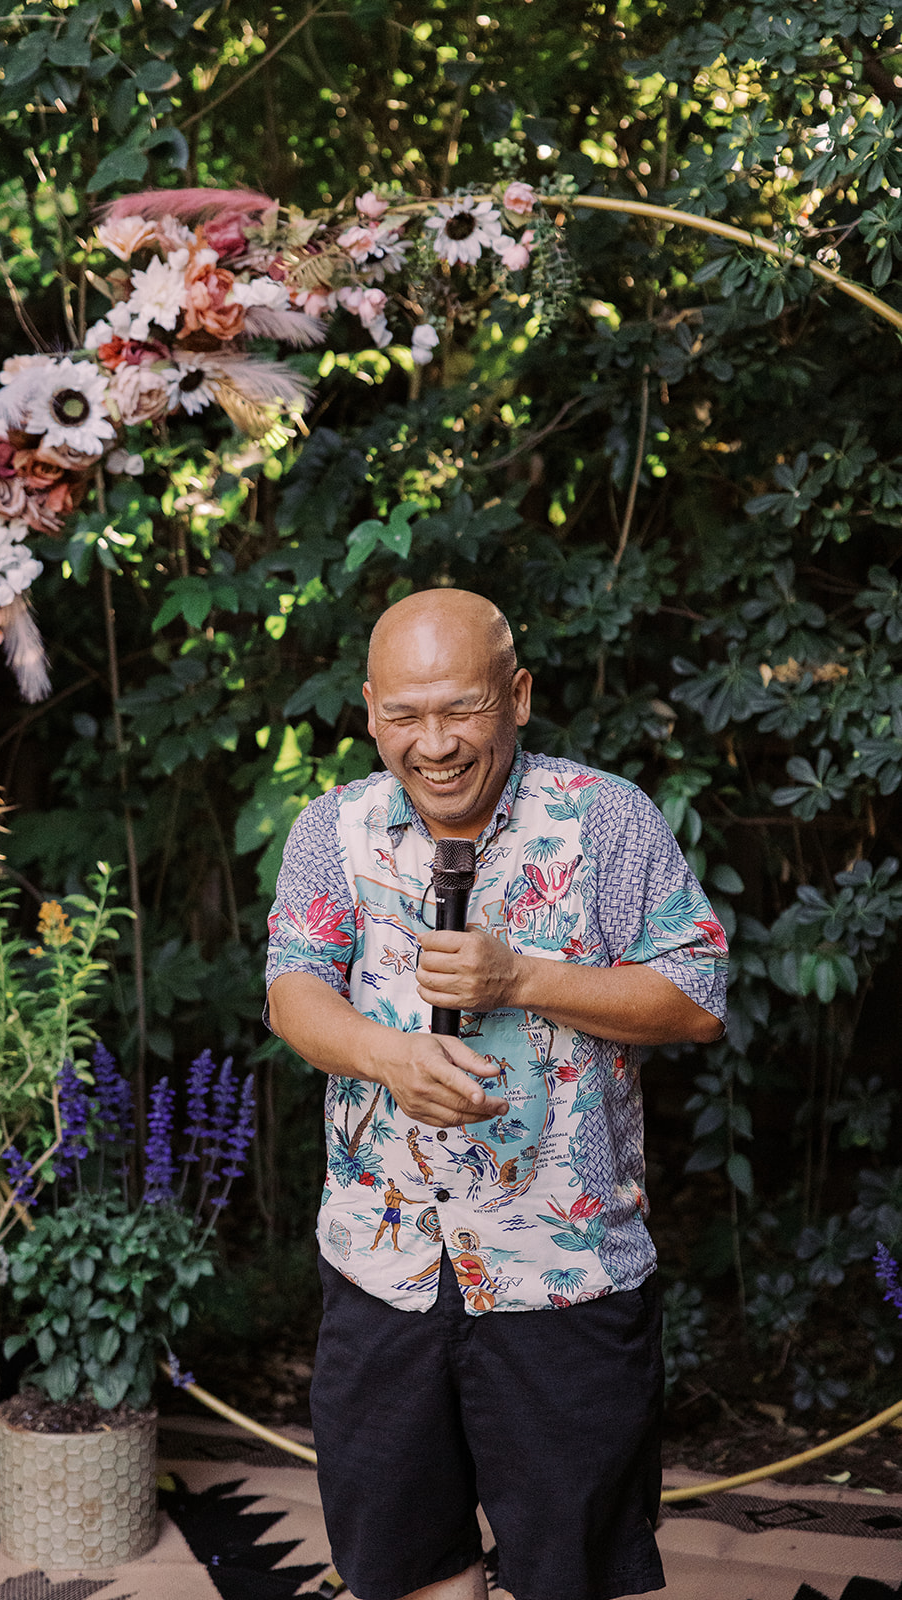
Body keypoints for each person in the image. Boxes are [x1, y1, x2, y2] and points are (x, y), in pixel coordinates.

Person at [265, 588, 727, 1600]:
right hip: (381, 1267)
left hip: (563, 1274)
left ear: (516, 695)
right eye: (404, 713)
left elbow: (694, 998)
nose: (432, 743)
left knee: (569, 1570)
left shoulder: (604, 819)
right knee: (404, 1563)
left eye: (460, 708)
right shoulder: (332, 828)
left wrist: (521, 978)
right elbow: (291, 988)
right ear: (370, 708)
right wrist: (389, 1057)